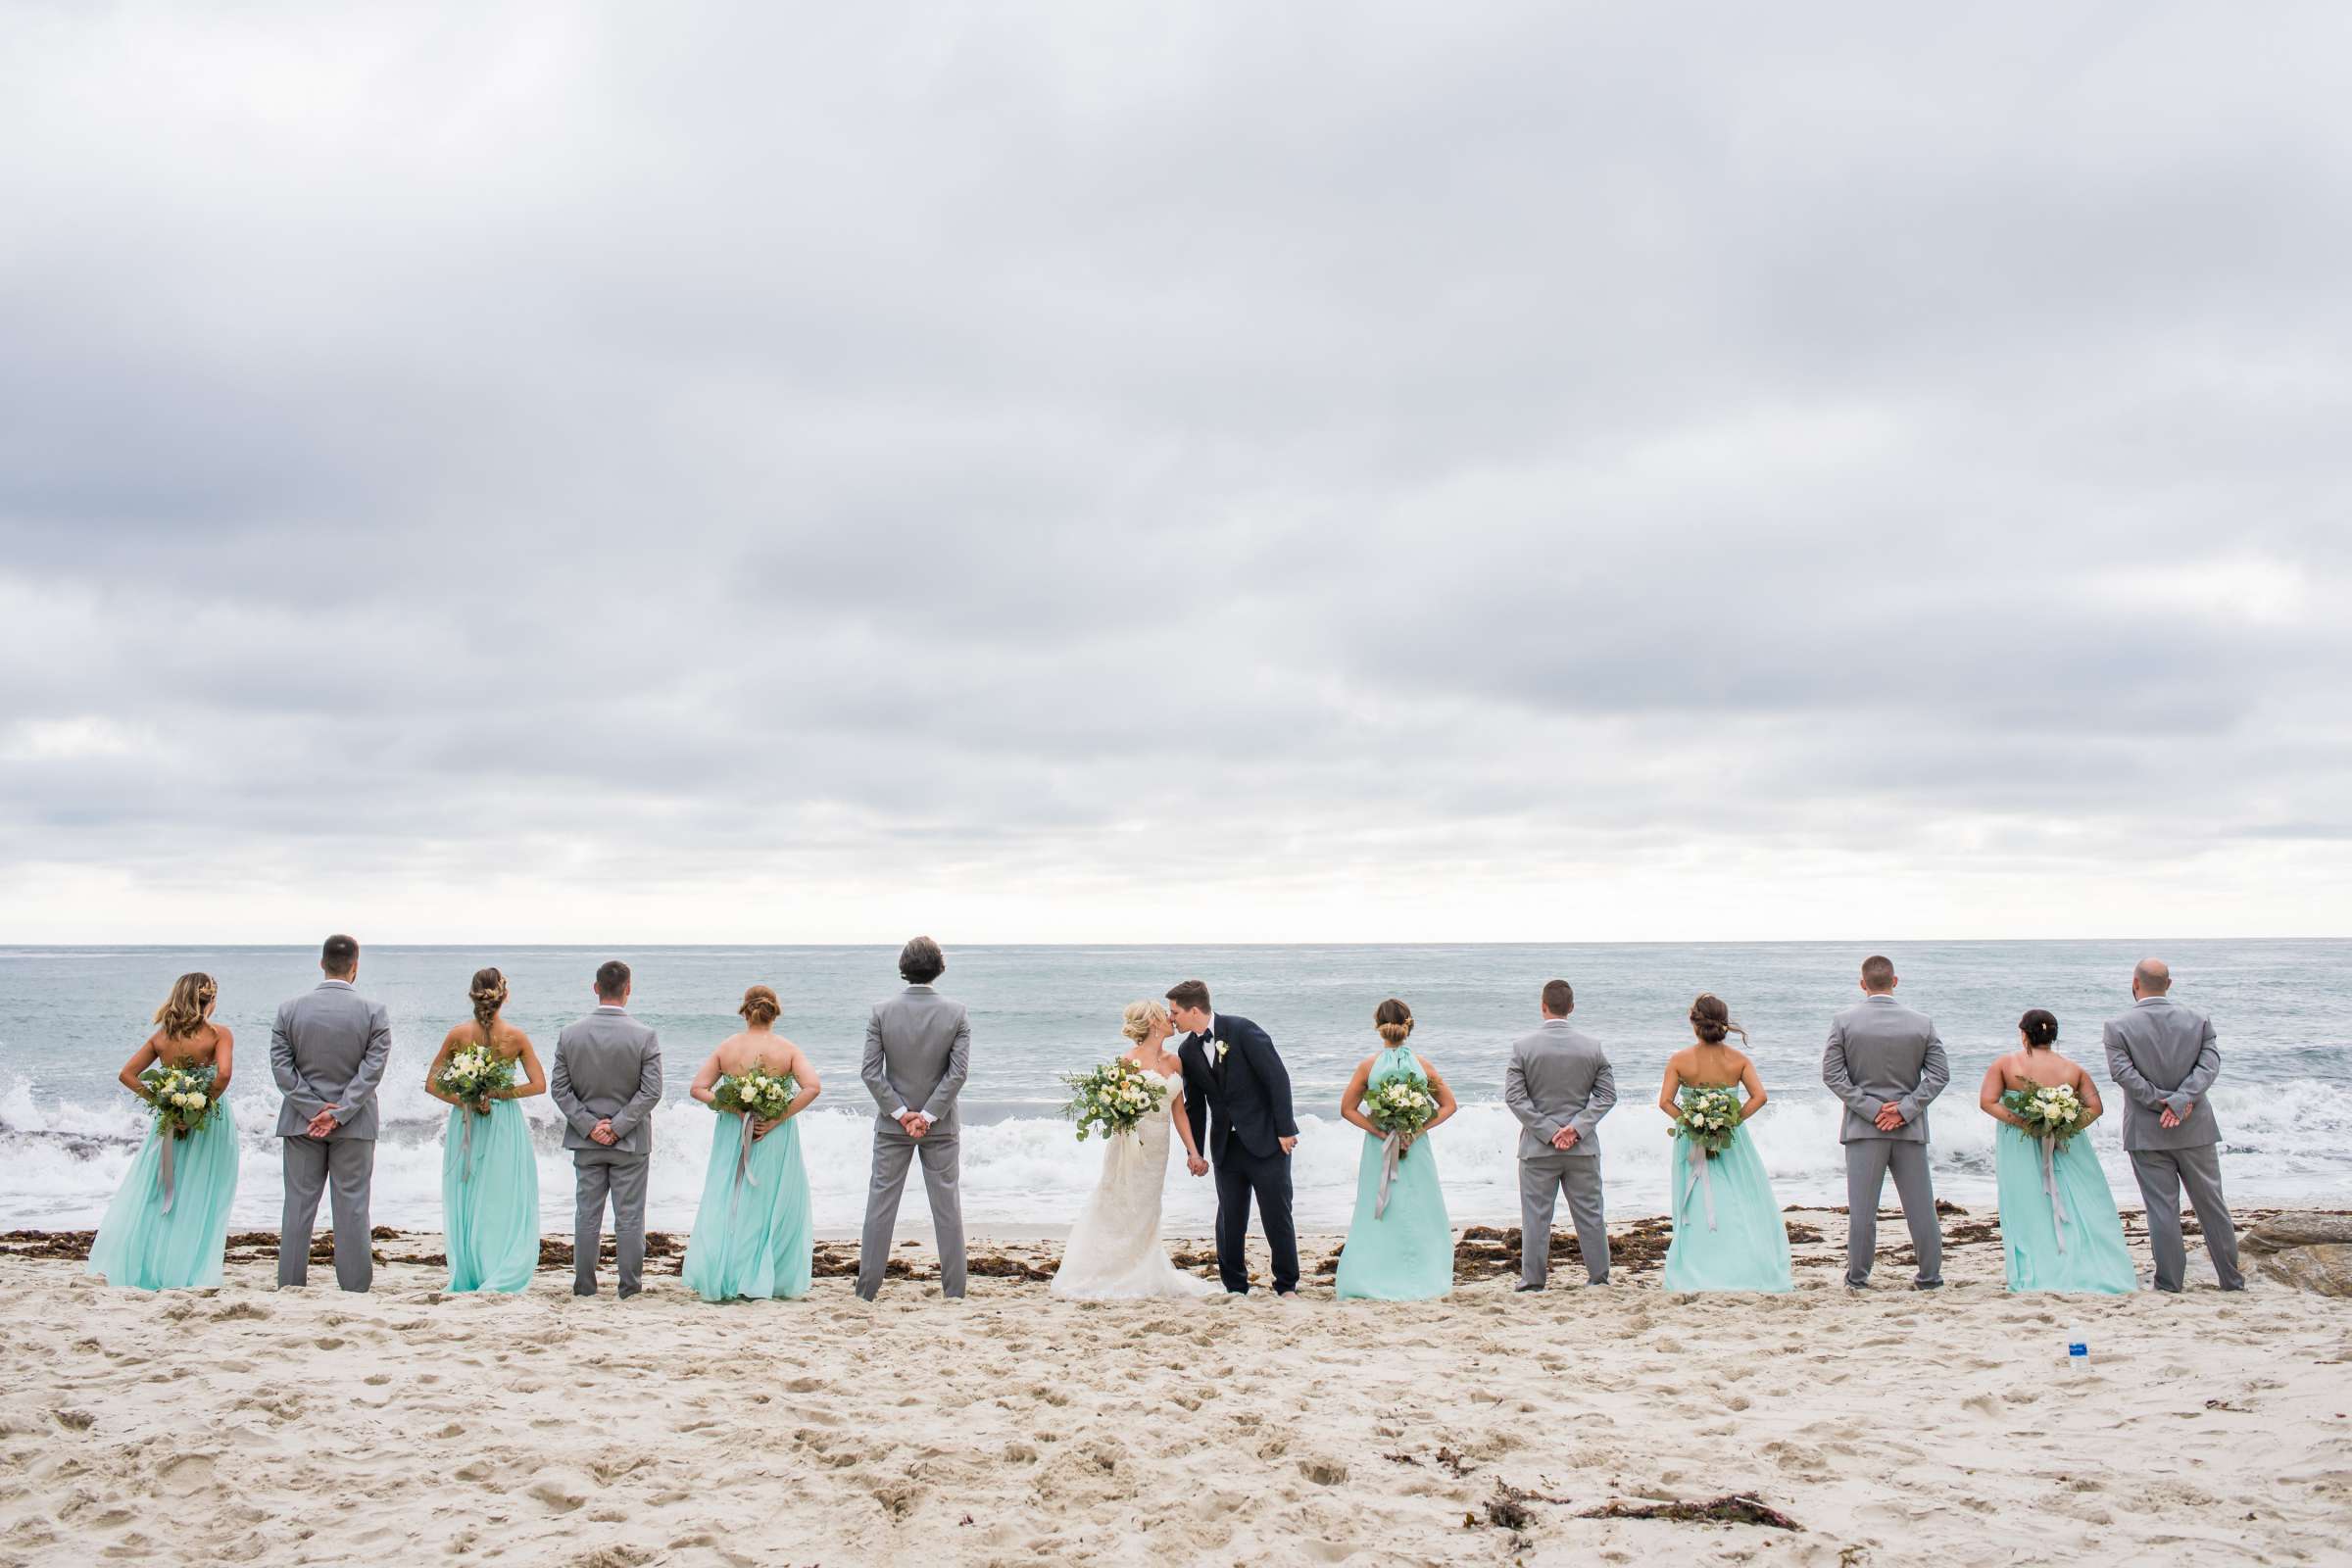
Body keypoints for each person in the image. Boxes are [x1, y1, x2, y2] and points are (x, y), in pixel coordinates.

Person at [1051, 1000, 1217, 1299]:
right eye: (1164, 1015)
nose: (1170, 1018)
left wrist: (1194, 1152)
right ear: (1154, 1023)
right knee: (1120, 1204)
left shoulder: (1174, 1062)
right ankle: (1113, 1270)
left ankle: (1143, 1265)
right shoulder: (1127, 1062)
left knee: (1148, 1207)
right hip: (1130, 1145)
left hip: (1158, 1148)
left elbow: (1179, 1111)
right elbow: (1117, 1111)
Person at [86, 973, 241, 1290]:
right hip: (210, 1124)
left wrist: (163, 1103)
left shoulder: (161, 1037)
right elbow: (223, 1075)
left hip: (169, 1124)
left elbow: (127, 1074)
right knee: (206, 1195)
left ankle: (152, 1265)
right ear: (209, 1000)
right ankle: (190, 1271)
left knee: (160, 1195)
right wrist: (199, 1107)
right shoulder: (219, 1034)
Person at [2103, 958, 2243, 1292]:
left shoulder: (2117, 1025)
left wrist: (2160, 1102)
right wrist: (2181, 1102)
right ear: (2169, 984)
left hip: (2146, 1131)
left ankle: (2169, 1284)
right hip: (2195, 1128)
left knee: (2162, 1209)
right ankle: (2231, 1280)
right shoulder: (2199, 1020)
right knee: (2212, 1205)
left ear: (2135, 983)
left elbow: (2123, 1075)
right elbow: (2209, 1067)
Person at [1980, 1008, 2135, 1294]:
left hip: (2020, 1143)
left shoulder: (2004, 1064)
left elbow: (1988, 1102)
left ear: (2024, 1033)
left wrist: (2026, 1123)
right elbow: (2095, 1108)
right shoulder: (2073, 1069)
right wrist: (2064, 1125)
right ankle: (2085, 1263)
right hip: (2068, 1145)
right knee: (2079, 1202)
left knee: (2027, 1205)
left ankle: (2040, 1269)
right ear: (2053, 1036)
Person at [682, 985, 820, 1302]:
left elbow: (698, 1088)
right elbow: (812, 1087)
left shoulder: (727, 1047)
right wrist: (777, 1117)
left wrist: (734, 1108)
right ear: (775, 1013)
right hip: (774, 1134)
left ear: (745, 1011)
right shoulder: (787, 1048)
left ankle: (730, 1273)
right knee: (769, 1202)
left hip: (734, 1131)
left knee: (731, 1200)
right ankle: (765, 1278)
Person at [272, 934, 393, 1292]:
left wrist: (314, 1108)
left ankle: (291, 1285)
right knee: (352, 1207)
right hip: (354, 1123)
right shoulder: (374, 1012)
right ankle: (355, 1288)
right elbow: (372, 1071)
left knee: (297, 1206)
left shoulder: (289, 1009)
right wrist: (339, 1111)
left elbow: (282, 1069)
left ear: (322, 964)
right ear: (355, 966)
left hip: (301, 1121)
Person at [1822, 955, 1949, 1291]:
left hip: (1864, 1128)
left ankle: (1858, 1279)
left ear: (1863, 984)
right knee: (1921, 1208)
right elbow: (1939, 1076)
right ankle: (1930, 1278)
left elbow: (1832, 1075)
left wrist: (1870, 1108)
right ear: (1895, 981)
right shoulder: (1922, 1023)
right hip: (1909, 1128)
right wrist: (1905, 1109)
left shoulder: (1844, 1022)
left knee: (1863, 1211)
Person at [857, 937, 972, 1300]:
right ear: (939, 968)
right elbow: (957, 1075)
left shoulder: (881, 1011)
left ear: (903, 967)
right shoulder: (956, 1012)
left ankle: (867, 1290)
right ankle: (954, 1291)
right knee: (947, 1206)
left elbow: (871, 1073)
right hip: (940, 1125)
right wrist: (927, 1114)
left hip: (893, 1126)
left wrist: (903, 1113)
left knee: (880, 1204)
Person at [1171, 978, 1301, 1297]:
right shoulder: (1187, 1049)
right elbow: (1196, 1106)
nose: (1171, 1017)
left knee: (1276, 1214)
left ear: (1194, 1010)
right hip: (1226, 1147)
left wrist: (1285, 1129)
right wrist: (1196, 1152)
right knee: (1229, 1218)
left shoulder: (1242, 1030)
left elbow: (1277, 1078)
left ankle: (1286, 1285)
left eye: (1175, 1011)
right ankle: (1235, 1286)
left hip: (1267, 1141)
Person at [422, 967, 546, 1294]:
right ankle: (499, 1263)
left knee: (470, 1190)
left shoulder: (457, 1035)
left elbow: (432, 1084)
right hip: (504, 1122)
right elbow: (538, 1085)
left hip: (467, 1118)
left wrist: (467, 1098)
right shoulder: (516, 1037)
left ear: (473, 995)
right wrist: (499, 1094)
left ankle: (473, 1269)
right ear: (505, 995)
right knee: (502, 1194)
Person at [1657, 994, 1791, 1293]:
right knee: (1739, 1197)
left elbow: (1665, 1102)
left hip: (1691, 1140)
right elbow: (1760, 1097)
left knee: (1695, 1204)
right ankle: (1743, 1263)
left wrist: (1691, 1122)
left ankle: (1701, 1265)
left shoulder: (1680, 1060)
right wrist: (1731, 1122)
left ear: (1694, 1023)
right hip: (1731, 1139)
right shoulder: (1738, 1060)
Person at [550, 959, 662, 1298]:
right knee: (629, 1218)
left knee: (587, 1215)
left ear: (596, 988)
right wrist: (618, 1126)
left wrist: (590, 1126)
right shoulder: (645, 1036)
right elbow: (651, 1091)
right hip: (630, 1142)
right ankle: (629, 1287)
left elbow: (560, 1090)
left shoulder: (569, 1034)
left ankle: (584, 1286)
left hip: (587, 1141)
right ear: (628, 989)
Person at [1334, 998, 1457, 1300]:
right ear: (1409, 1025)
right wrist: (1416, 1131)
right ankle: (1426, 1278)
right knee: (1421, 1211)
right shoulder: (1423, 1065)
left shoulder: (1369, 1066)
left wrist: (1378, 1131)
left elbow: (1347, 1109)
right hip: (1415, 1149)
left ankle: (1374, 1276)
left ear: (1378, 1027)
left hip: (1380, 1149)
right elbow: (1449, 1106)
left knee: (1378, 1212)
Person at [1502, 978, 1615, 1290]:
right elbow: (1606, 1096)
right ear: (1572, 1008)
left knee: (1536, 1216)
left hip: (1538, 1148)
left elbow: (1514, 1098)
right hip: (1582, 1148)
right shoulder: (1592, 1047)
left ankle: (1533, 1281)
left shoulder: (1522, 1047)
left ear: (1543, 1006)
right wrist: (1576, 1129)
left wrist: (1550, 1132)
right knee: (1591, 1213)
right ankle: (1598, 1278)